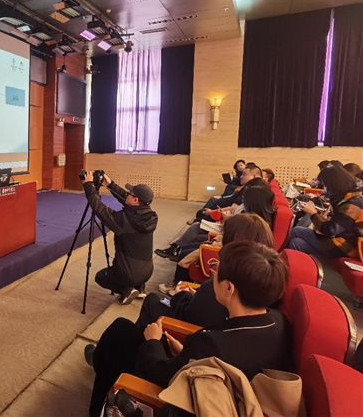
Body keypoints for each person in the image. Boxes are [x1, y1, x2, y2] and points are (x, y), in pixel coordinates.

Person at [85, 241, 292, 417]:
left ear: (229, 288)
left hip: (182, 401)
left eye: (217, 270)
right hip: (221, 387)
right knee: (122, 334)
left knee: (120, 333)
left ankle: (99, 396)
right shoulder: (279, 321)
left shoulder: (211, 344)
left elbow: (163, 376)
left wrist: (154, 341)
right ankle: (101, 359)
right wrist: (186, 353)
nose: (213, 274)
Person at [142, 213, 275, 331]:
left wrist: (181, 295)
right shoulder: (267, 278)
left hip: (191, 330)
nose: (221, 237)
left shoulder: (221, 280)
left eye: (224, 235)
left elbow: (190, 315)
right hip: (214, 319)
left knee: (153, 299)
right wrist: (198, 296)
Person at [155, 169, 265, 261]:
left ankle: (176, 248)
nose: (241, 176)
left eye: (244, 174)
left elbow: (236, 219)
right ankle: (177, 248)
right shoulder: (246, 195)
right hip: (226, 225)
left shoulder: (252, 208)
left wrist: (217, 214)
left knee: (196, 227)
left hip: (226, 230)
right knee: (198, 224)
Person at [82, 173, 157, 305]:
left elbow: (100, 209)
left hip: (129, 274)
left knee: (100, 277)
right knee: (136, 264)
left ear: (136, 200)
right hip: (147, 273)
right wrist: (110, 185)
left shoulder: (124, 220)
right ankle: (140, 288)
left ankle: (126, 290)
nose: (127, 194)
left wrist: (88, 186)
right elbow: (127, 200)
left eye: (130, 193)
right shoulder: (149, 215)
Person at [287, 165, 363, 261]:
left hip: (346, 247)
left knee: (296, 236)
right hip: (340, 241)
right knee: (296, 239)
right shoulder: (348, 199)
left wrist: (313, 213)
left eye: (325, 186)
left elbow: (331, 229)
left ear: (334, 185)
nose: (324, 189)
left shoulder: (353, 203)